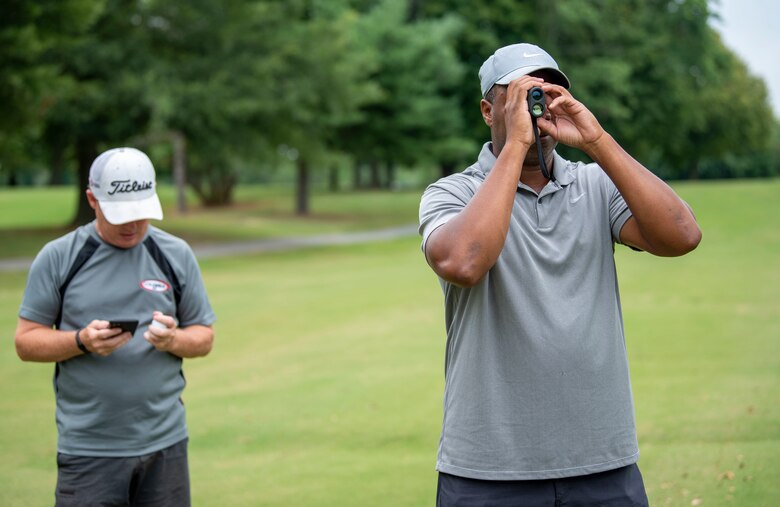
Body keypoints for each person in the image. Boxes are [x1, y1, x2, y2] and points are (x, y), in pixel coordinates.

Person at [418, 43, 701, 505]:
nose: (538, 107)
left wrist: (596, 141)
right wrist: (516, 146)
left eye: (547, 93)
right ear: (489, 110)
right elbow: (463, 263)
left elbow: (682, 235)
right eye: (521, 95)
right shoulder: (453, 192)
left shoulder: (595, 185)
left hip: (602, 462)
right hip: (489, 470)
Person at [15, 147, 216, 507]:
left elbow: (203, 337)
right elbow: (26, 343)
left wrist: (173, 339)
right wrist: (81, 340)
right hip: (90, 450)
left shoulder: (175, 253)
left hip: (165, 445)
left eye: (141, 213)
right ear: (92, 199)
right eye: (121, 213)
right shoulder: (59, 257)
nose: (133, 225)